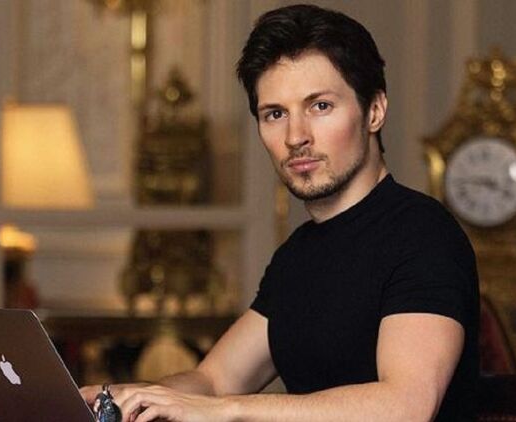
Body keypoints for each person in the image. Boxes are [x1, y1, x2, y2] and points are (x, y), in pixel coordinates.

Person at [81, 4, 479, 421]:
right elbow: (213, 380)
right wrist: (128, 395)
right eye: (275, 114)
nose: (295, 137)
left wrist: (226, 410)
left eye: (320, 106)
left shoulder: (424, 235)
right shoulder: (297, 255)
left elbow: (406, 406)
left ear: (374, 111)